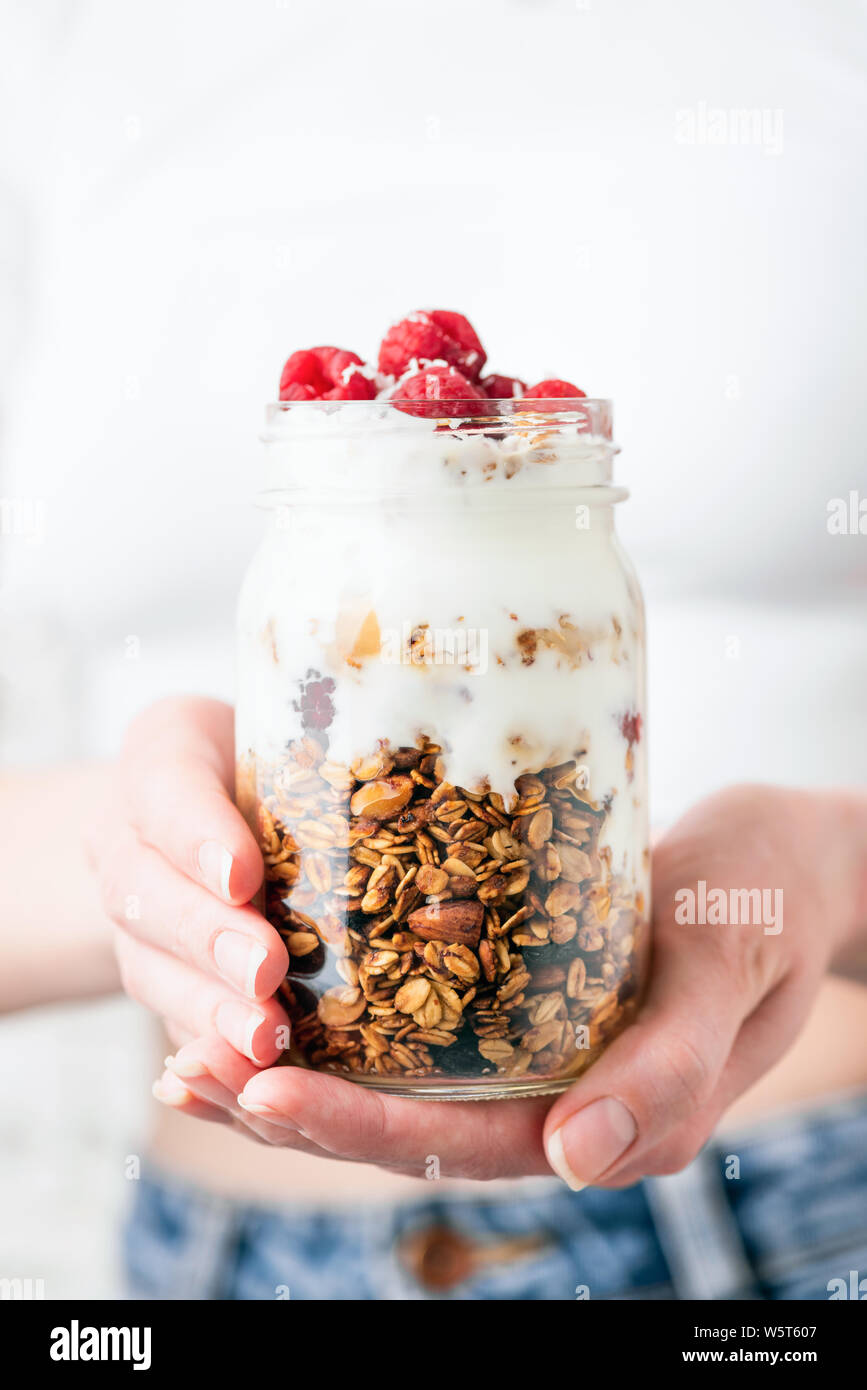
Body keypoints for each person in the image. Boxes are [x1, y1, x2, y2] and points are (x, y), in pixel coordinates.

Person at [1, 0, 866, 1300]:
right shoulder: (53, 46)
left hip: (794, 1227)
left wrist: (837, 871)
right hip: (220, 1259)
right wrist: (122, 860)